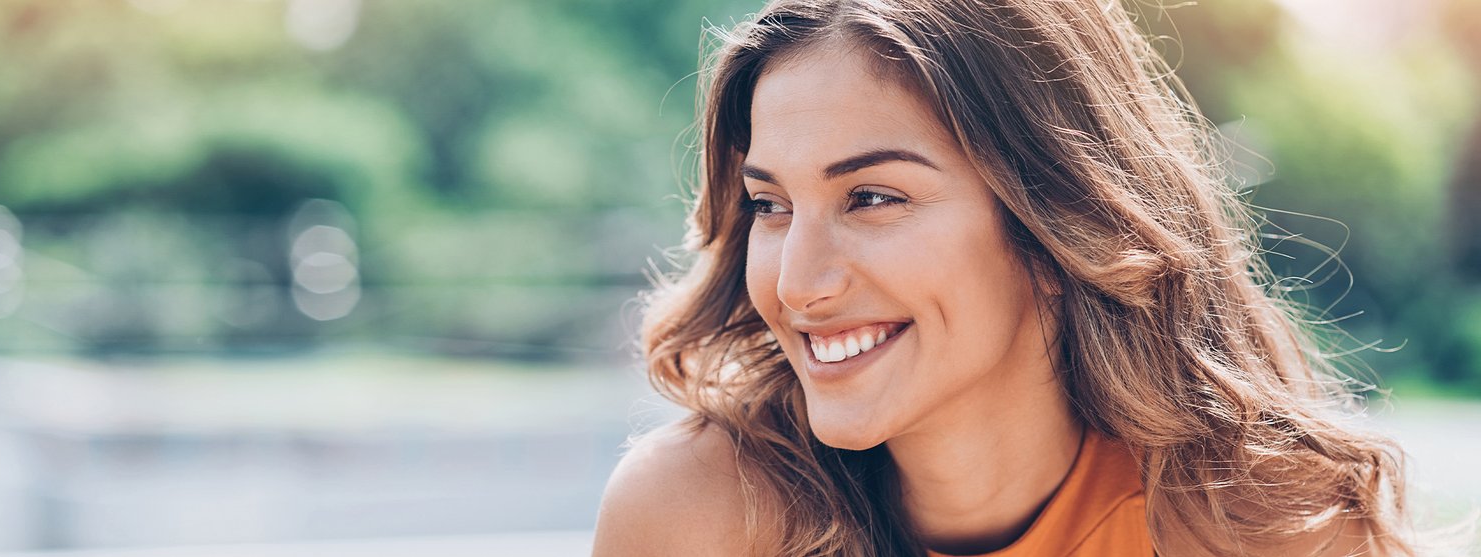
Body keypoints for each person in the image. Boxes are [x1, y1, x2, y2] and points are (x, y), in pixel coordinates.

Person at [592, 0, 1426, 555]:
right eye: (770, 205)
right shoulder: (694, 517)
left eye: (872, 197)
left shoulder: (1271, 530)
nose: (798, 282)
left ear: (1059, 220)